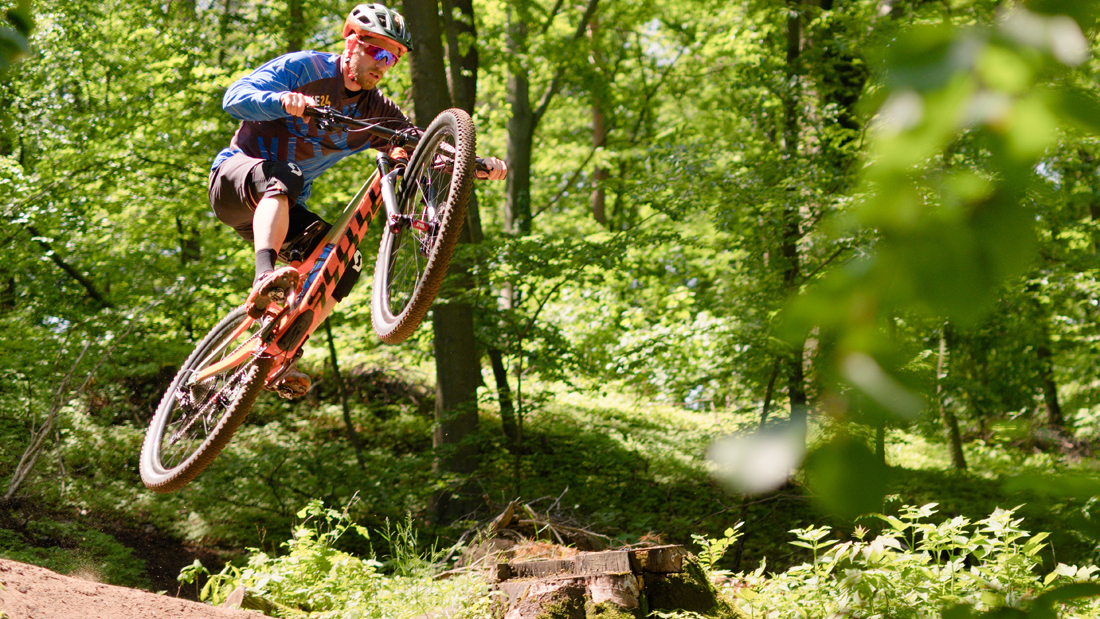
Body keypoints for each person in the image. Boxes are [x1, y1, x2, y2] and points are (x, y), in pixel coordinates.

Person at [208, 3, 507, 399]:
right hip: (236, 179)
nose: (384, 65)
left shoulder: (375, 111)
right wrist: (282, 101)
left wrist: (470, 163)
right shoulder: (306, 69)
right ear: (352, 42)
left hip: (279, 211)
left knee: (344, 262)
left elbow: (420, 146)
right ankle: (264, 277)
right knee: (285, 175)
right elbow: (235, 96)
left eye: (393, 59)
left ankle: (280, 352)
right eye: (379, 53)